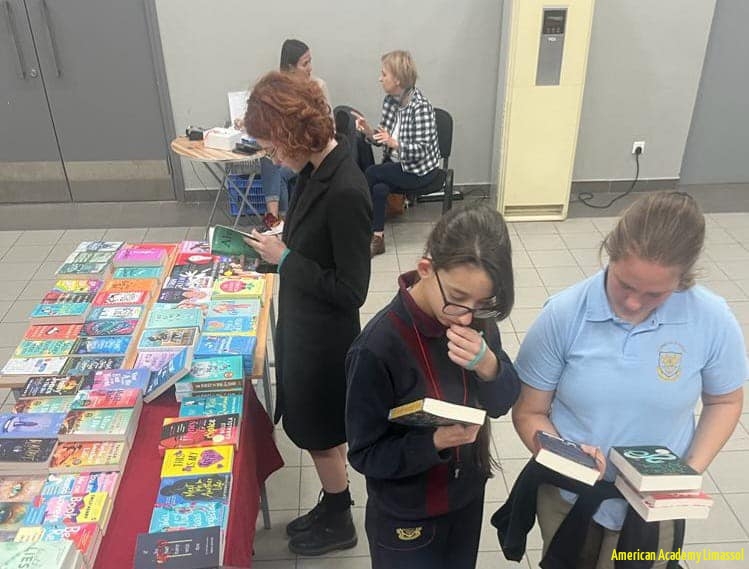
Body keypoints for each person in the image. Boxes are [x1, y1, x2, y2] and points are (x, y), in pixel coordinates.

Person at [506, 192, 746, 568]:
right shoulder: (564, 315)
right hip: (572, 498)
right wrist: (569, 457)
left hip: (655, 507)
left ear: (683, 279)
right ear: (610, 254)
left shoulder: (711, 319)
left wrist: (688, 472)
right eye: (624, 284)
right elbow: (528, 412)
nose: (634, 303)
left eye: (655, 294)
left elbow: (725, 401)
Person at [345, 204, 521, 569]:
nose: (467, 316)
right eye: (457, 298)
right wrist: (435, 441)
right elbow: (364, 454)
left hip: (466, 495)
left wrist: (488, 366)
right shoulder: (376, 348)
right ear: (426, 269)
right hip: (407, 514)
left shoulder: (479, 321)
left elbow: (502, 402)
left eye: (482, 303)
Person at [241, 71, 372, 556]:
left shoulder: (346, 189)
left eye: (275, 147)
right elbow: (309, 243)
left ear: (295, 133)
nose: (274, 159)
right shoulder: (316, 171)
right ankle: (334, 500)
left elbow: (352, 290)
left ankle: (340, 521)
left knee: (319, 433)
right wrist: (274, 248)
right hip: (304, 325)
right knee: (320, 431)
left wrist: (286, 259)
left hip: (324, 339)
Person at [354, 50, 442, 257]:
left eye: (384, 74)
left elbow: (421, 151)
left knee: (372, 173)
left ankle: (356, 225)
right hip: (397, 165)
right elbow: (382, 138)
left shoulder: (421, 107)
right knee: (380, 188)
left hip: (420, 171)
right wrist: (368, 131)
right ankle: (377, 239)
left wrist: (395, 144)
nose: (380, 78)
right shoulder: (390, 101)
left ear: (398, 80)